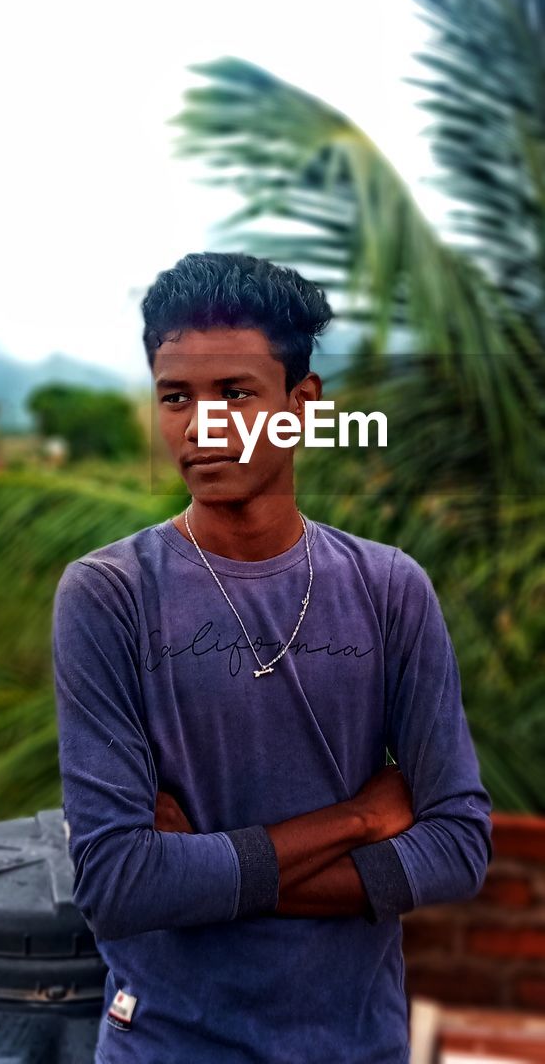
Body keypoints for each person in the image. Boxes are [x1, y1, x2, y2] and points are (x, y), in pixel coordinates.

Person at [52, 251, 492, 1064]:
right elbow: (118, 884)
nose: (202, 424)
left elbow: (459, 848)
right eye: (177, 397)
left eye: (237, 394)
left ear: (301, 407)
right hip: (168, 1046)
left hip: (353, 1046)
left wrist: (203, 873)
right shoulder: (110, 595)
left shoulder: (389, 588)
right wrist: (356, 821)